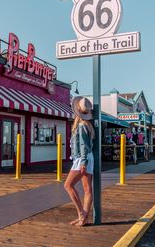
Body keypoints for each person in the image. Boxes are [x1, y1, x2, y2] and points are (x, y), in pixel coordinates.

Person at [64, 96, 95, 227]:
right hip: (87, 157)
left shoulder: (81, 126)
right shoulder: (86, 125)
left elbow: (83, 145)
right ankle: (84, 218)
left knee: (68, 185)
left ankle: (81, 214)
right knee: (87, 189)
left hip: (82, 158)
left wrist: (83, 162)